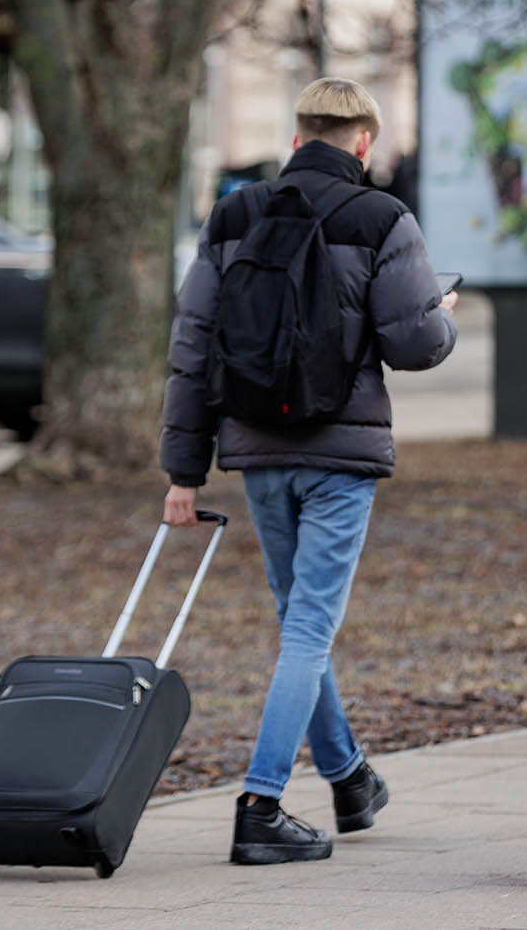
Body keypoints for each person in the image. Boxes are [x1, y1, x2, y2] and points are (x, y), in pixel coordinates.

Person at [160, 78, 458, 865]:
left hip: (258, 450)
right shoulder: (383, 217)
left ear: (297, 140)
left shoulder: (233, 215)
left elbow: (192, 345)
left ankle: (349, 776)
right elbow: (416, 345)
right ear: (364, 142)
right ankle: (260, 803)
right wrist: (444, 314)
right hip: (339, 453)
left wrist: (183, 470)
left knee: (299, 619)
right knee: (308, 627)